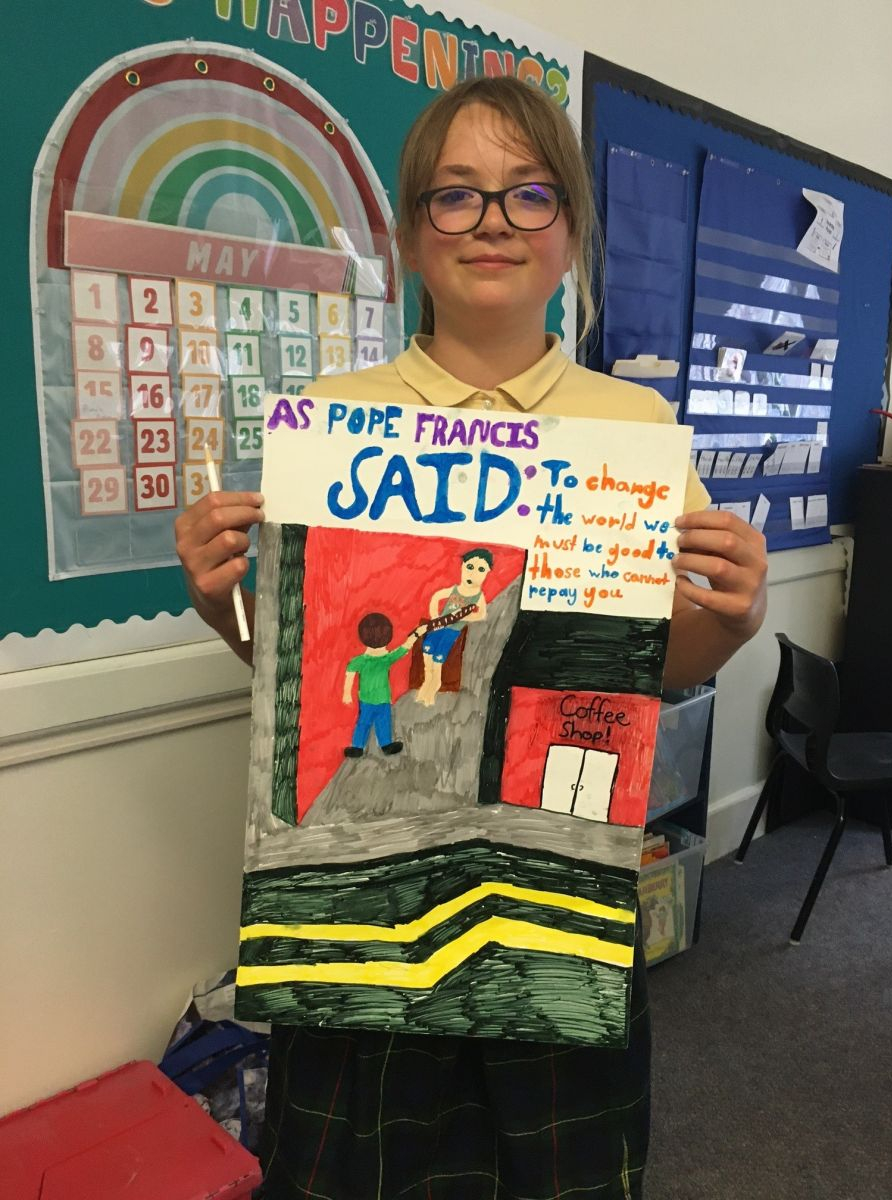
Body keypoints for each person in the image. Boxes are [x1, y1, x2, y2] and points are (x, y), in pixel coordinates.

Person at [175, 75, 766, 1200]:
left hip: (557, 905)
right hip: (362, 908)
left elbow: (645, 673)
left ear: (571, 232)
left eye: (528, 194)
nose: (493, 220)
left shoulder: (632, 431)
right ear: (408, 233)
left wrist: (731, 625)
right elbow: (317, 679)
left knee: (563, 1177)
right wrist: (228, 608)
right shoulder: (336, 422)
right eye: (456, 196)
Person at [417, 546, 492, 705]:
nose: (473, 573)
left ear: (487, 573)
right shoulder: (455, 590)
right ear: (462, 567)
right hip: (438, 627)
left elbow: (481, 614)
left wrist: (464, 617)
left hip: (452, 632)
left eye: (480, 569)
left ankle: (433, 687)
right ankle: (427, 683)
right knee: (428, 648)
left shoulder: (478, 596)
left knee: (439, 658)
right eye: (470, 567)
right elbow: (436, 597)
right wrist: (435, 617)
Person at [343, 611, 424, 756]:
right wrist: (416, 635)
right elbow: (404, 648)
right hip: (381, 699)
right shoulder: (386, 658)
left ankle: (360, 747)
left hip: (369, 699)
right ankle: (381, 745)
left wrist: (347, 693)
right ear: (388, 638)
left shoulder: (361, 660)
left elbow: (350, 671)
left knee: (366, 723)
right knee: (378, 722)